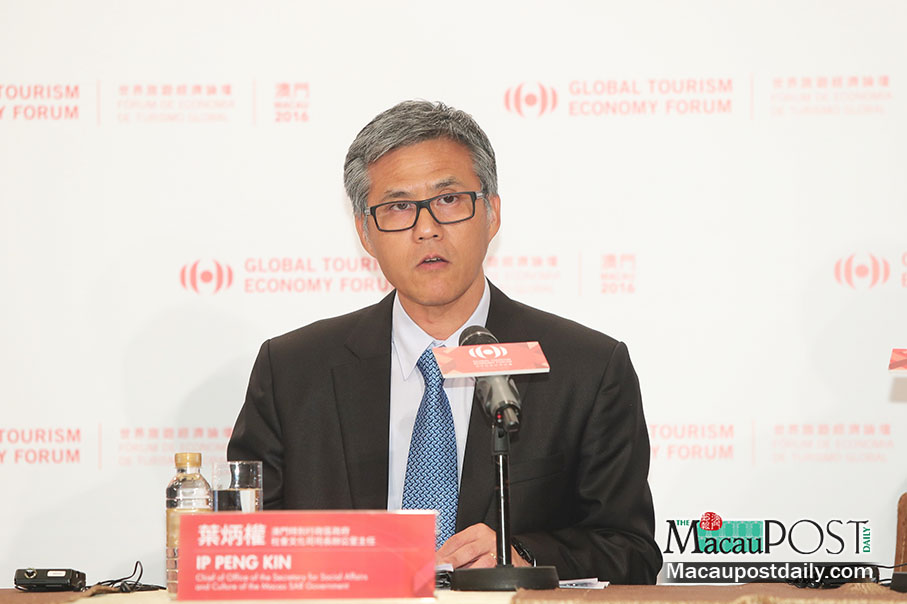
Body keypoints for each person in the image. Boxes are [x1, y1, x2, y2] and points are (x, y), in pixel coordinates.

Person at [228, 100, 662, 583]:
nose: (427, 229)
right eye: (398, 207)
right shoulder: (292, 372)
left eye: (449, 200)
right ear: (365, 233)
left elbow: (632, 553)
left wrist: (522, 553)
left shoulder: (585, 369)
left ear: (492, 214)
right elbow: (243, 547)